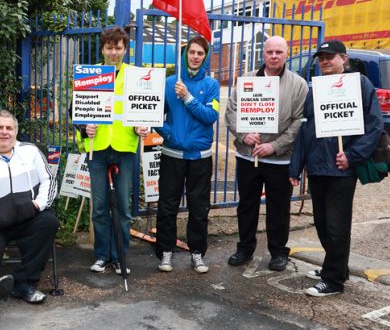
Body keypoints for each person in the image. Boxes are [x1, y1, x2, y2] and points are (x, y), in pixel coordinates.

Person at [289, 40, 383, 296]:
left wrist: (352, 157)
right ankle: (336, 267)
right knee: (321, 223)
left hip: (342, 169)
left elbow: (374, 125)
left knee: (336, 226)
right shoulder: (315, 89)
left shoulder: (360, 85)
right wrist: (295, 168)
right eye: (321, 58)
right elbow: (305, 129)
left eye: (330, 57)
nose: (324, 61)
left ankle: (333, 281)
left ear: (344, 59)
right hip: (318, 168)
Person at [224, 35, 308, 271]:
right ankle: (245, 248)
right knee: (247, 205)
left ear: (286, 54)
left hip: (279, 159)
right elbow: (231, 112)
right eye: (270, 52)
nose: (274, 56)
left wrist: (275, 146)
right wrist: (244, 135)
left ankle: (278, 252)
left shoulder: (298, 84)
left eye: (278, 52)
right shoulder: (247, 80)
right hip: (248, 156)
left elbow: (298, 122)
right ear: (263, 54)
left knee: (279, 208)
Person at [0, 110, 59, 314]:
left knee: (49, 222)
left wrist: (38, 204)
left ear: (16, 131)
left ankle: (23, 283)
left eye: (9, 128)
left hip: (29, 217)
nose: (4, 132)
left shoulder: (31, 151)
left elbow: (48, 180)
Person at [75, 27, 148, 274]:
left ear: (125, 49)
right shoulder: (91, 75)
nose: (114, 52)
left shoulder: (136, 76)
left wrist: (143, 126)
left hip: (125, 148)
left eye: (118, 47)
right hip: (98, 149)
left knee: (123, 209)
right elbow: (75, 113)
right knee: (99, 207)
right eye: (109, 47)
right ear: (103, 49)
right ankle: (102, 256)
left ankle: (119, 257)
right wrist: (85, 129)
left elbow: (146, 109)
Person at [153, 36, 220, 274]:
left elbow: (211, 116)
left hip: (200, 157)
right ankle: (165, 252)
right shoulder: (170, 83)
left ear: (205, 57)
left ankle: (197, 253)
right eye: (191, 52)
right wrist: (169, 134)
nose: (195, 57)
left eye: (200, 53)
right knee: (167, 206)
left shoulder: (212, 85)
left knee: (199, 208)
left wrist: (188, 98)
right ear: (185, 55)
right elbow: (153, 115)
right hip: (172, 155)